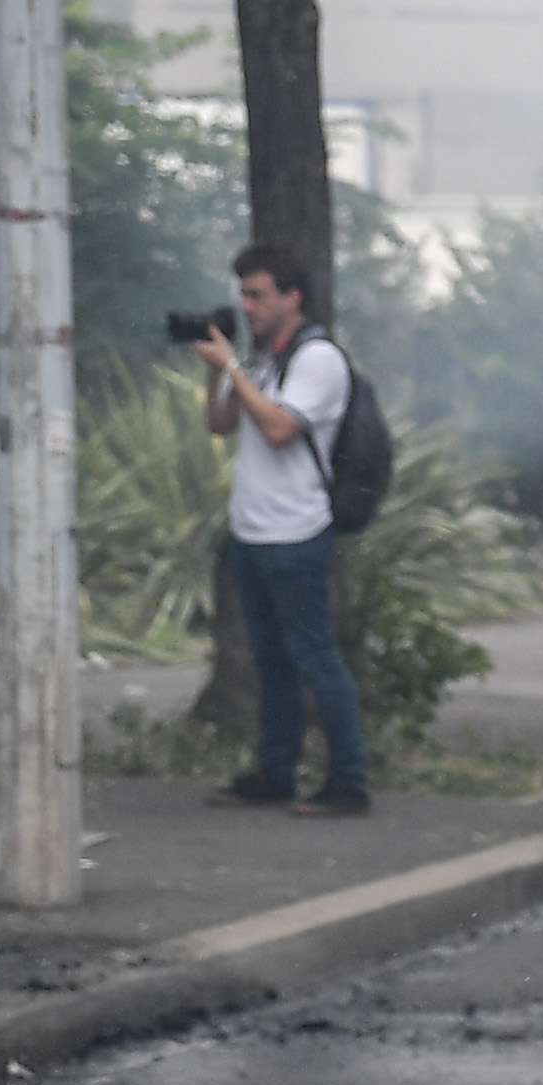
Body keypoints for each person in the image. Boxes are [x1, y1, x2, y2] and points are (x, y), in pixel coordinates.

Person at [206, 240, 370, 815]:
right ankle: (276, 771)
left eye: (258, 295)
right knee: (269, 660)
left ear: (291, 298)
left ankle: (348, 780)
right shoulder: (263, 361)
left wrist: (232, 367)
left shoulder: (317, 359)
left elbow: (279, 428)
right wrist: (218, 372)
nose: (247, 307)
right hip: (252, 532)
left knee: (315, 656)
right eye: (243, 295)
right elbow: (220, 423)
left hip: (298, 532)